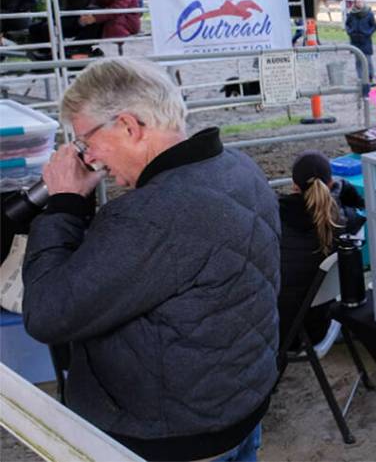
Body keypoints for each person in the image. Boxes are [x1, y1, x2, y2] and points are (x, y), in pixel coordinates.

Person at [21, 57, 280, 461]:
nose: (88, 159)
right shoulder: (235, 167)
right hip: (236, 411)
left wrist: (66, 205)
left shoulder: (153, 214)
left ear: (128, 126)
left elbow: (47, 313)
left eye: (86, 142)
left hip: (170, 438)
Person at [278, 151, 364, 353]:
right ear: (331, 182)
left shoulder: (276, 218)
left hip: (282, 332)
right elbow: (360, 208)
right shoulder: (342, 222)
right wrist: (344, 189)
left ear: (294, 186)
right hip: (321, 324)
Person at [345, 0, 376, 95]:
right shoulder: (351, 14)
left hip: (366, 40)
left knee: (367, 60)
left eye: (361, 2)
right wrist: (350, 32)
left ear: (363, 3)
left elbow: (374, 26)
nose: (359, 3)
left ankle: (370, 78)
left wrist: (368, 33)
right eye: (357, 2)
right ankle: (360, 78)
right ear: (355, 3)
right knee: (358, 60)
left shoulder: (369, 13)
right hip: (355, 40)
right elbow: (347, 25)